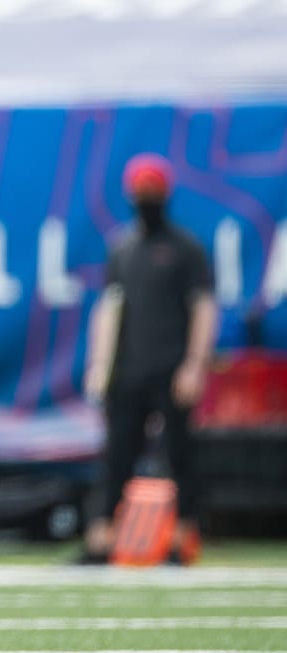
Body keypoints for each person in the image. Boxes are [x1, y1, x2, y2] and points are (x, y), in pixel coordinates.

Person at [79, 152, 216, 566]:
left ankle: (182, 540)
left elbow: (204, 308)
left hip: (171, 369)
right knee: (117, 455)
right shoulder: (123, 249)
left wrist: (194, 364)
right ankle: (100, 540)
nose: (145, 199)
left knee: (179, 456)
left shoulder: (185, 249)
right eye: (141, 192)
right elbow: (109, 308)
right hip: (129, 370)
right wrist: (100, 365)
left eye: (151, 192)